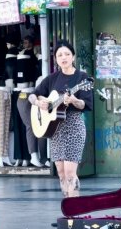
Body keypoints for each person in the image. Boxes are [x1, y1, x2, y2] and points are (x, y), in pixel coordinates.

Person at [28, 40, 93, 198]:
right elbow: (32, 95)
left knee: (71, 173)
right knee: (61, 172)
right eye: (59, 55)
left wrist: (73, 100)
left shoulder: (82, 78)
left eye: (67, 54)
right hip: (55, 129)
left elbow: (85, 103)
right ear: (56, 59)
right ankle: (67, 205)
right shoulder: (52, 78)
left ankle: (74, 211)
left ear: (73, 56)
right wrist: (38, 102)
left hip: (74, 126)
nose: (63, 57)